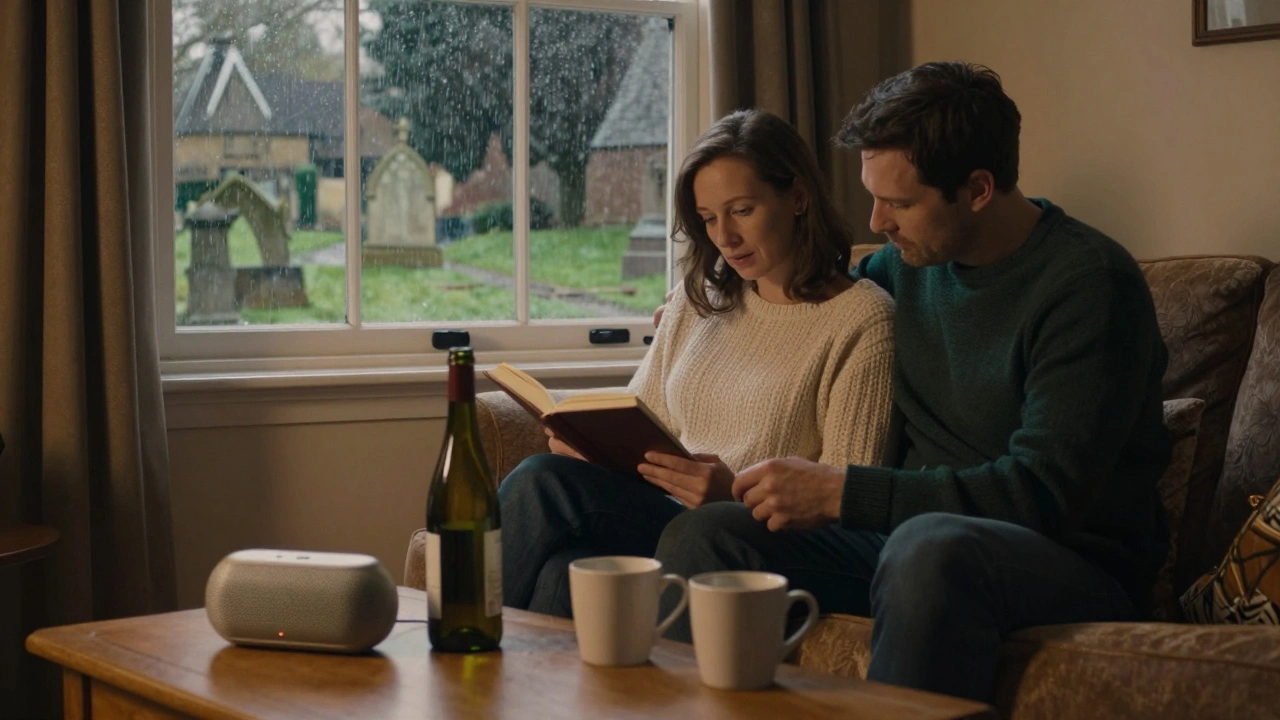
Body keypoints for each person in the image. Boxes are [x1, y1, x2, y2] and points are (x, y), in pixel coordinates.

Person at [650, 61, 1172, 703]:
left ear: (978, 189)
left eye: (898, 203)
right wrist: (701, 314)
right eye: (873, 196)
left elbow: (1042, 494)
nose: (878, 223)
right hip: (907, 543)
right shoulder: (903, 271)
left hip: (1066, 560)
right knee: (709, 531)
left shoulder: (1089, 286)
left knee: (930, 547)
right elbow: (815, 309)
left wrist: (845, 493)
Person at [499, 109, 897, 619]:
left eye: (742, 211)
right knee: (544, 483)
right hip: (661, 513)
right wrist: (590, 446)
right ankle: (466, 670)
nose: (724, 237)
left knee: (566, 545)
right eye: (709, 218)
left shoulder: (862, 320)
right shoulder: (698, 302)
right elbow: (642, 415)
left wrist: (731, 494)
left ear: (797, 197)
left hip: (751, 535)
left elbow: (847, 504)